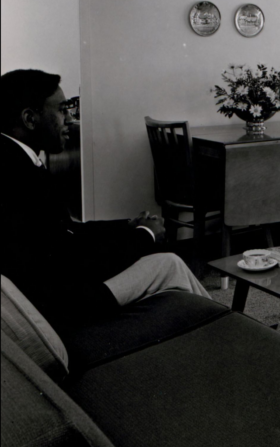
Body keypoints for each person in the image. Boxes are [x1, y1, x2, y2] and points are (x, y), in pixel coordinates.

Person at [0, 69, 211, 335]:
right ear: (30, 118)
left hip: (55, 293)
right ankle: (227, 338)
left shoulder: (14, 159)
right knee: (169, 264)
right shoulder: (16, 175)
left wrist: (128, 226)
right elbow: (70, 257)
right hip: (65, 305)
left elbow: (67, 231)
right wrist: (144, 236)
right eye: (62, 110)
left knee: (165, 262)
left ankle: (214, 332)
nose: (69, 119)